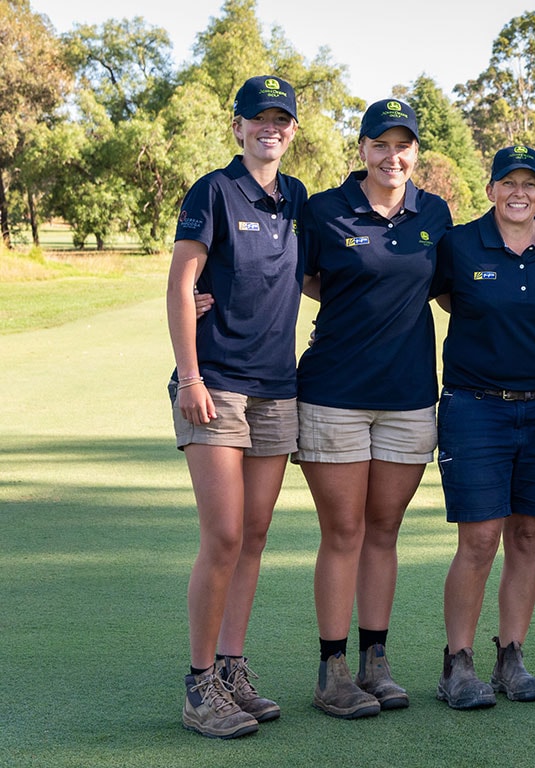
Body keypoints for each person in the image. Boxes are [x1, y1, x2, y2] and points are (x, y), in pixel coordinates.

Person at [295, 99, 451, 718]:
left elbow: (449, 290)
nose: (393, 156)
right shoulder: (326, 210)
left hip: (409, 397)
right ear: (361, 149)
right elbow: (297, 277)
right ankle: (333, 670)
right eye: (380, 144)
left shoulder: (433, 212)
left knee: (384, 530)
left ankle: (374, 661)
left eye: (403, 145)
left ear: (416, 152)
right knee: (345, 531)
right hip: (335, 393)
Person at [167, 75, 306, 739]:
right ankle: (198, 687)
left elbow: (310, 278)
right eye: (259, 119)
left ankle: (230, 668)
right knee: (223, 536)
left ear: (293, 131)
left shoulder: (298, 199)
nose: (269, 129)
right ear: (238, 126)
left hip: (278, 388)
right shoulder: (213, 191)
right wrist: (189, 375)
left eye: (281, 120)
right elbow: (180, 282)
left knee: (253, 536)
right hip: (216, 383)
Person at [431, 145, 535, 709]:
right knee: (478, 538)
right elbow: (445, 296)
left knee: (528, 535)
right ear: (491, 188)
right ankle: (458, 664)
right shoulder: (460, 244)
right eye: (508, 183)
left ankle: (511, 657)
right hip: (475, 406)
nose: (519, 193)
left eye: (531, 184)